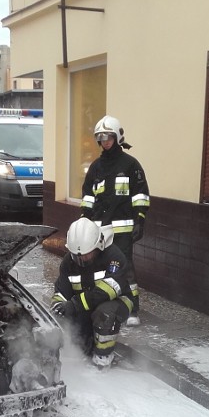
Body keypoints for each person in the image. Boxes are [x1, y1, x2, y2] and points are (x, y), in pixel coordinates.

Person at [80, 115, 150, 327]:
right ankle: (103, 303)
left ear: (117, 137)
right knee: (100, 268)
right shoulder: (96, 167)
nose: (105, 141)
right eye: (101, 138)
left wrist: (140, 220)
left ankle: (132, 309)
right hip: (100, 230)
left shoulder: (131, 165)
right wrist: (84, 219)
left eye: (109, 137)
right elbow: (88, 197)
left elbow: (141, 194)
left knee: (125, 268)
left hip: (123, 230)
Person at [50, 218, 135, 370]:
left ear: (98, 246)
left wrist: (74, 304)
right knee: (81, 347)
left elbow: (106, 291)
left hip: (117, 302)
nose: (81, 259)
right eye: (77, 255)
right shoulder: (68, 262)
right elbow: (61, 291)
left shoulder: (114, 258)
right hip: (86, 304)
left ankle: (103, 358)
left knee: (104, 313)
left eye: (86, 255)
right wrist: (58, 307)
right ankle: (89, 345)